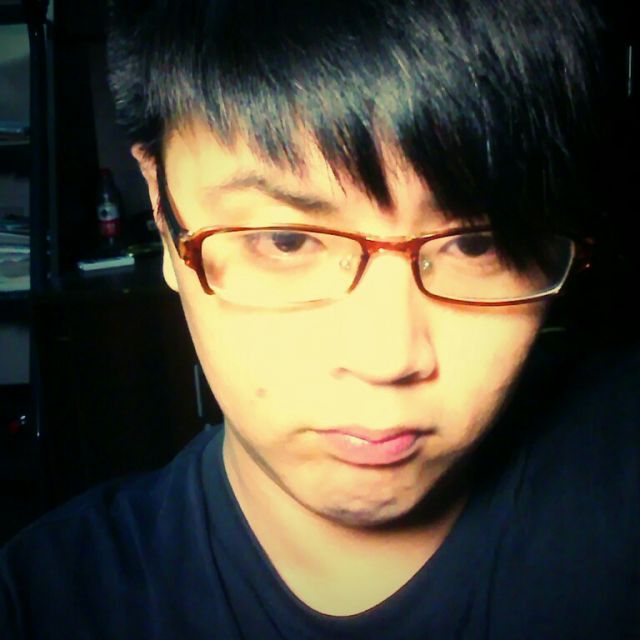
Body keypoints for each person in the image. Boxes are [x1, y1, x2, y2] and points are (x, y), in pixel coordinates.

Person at [2, 0, 638, 637]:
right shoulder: (44, 606)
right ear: (163, 214)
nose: (386, 359)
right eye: (287, 241)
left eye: (477, 245)